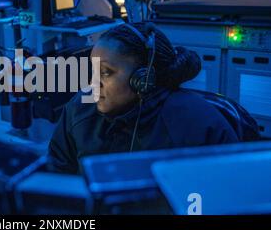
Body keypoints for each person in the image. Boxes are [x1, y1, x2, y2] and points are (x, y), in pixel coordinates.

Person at [48, 22, 240, 174]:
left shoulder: (199, 125)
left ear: (143, 78)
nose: (93, 83)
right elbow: (56, 177)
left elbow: (223, 194)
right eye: (93, 71)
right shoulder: (80, 109)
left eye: (105, 72)